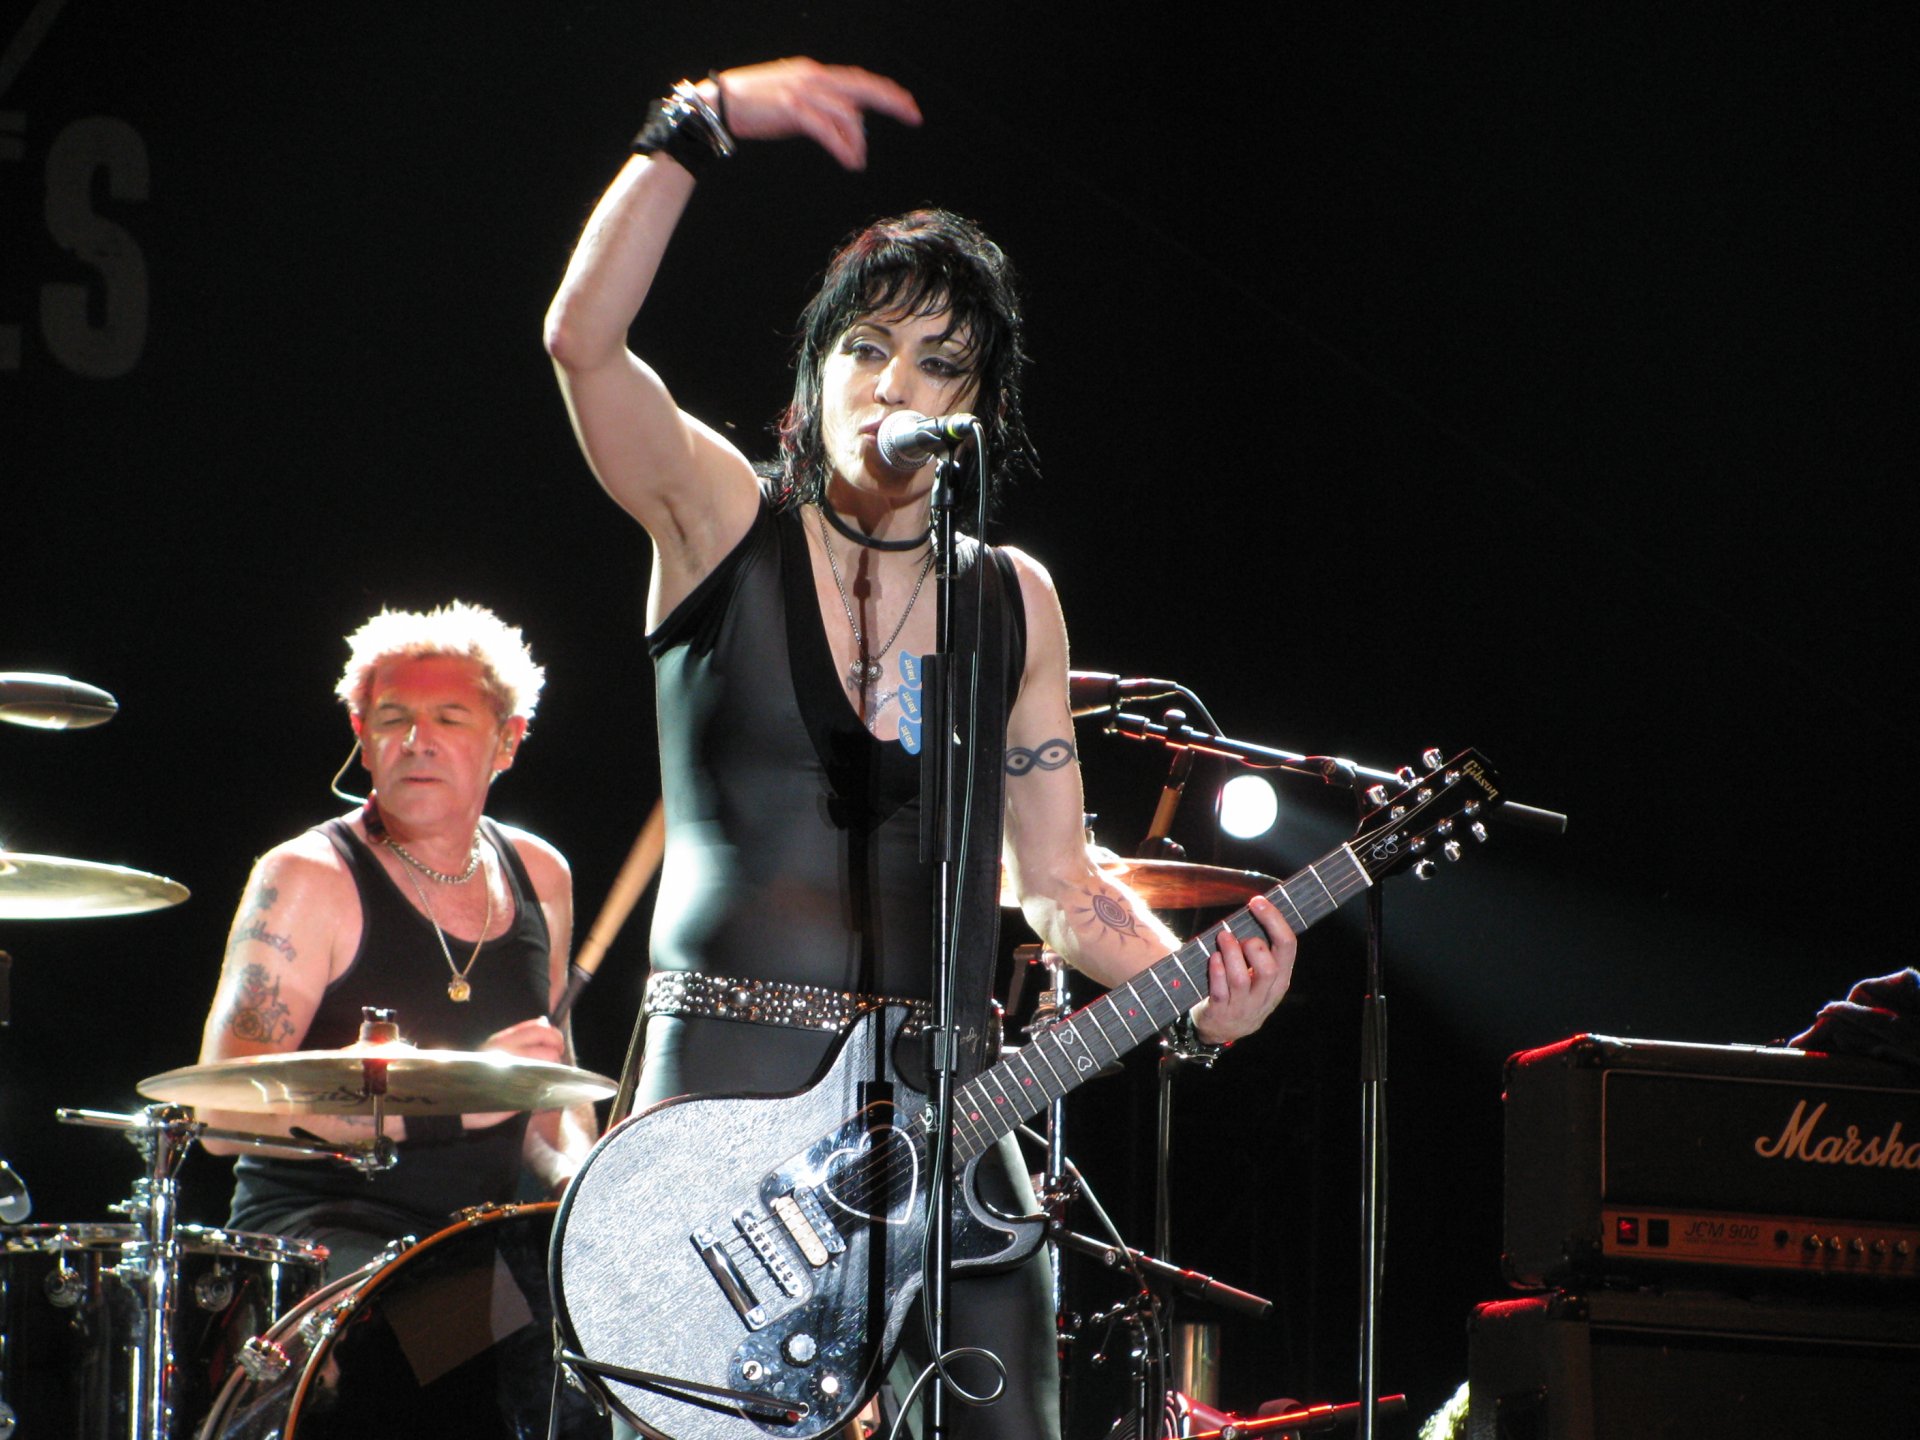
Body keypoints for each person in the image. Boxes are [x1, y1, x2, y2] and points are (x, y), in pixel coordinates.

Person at [543, 59, 1297, 1438]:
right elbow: (583, 342)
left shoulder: (1011, 596)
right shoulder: (721, 521)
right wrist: (696, 123)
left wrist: (1204, 996)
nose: (899, 383)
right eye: (869, 348)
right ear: (816, 372)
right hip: (724, 1094)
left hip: (950, 1116)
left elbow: (1060, 888)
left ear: (978, 410)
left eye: (941, 363)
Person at [193, 600, 596, 1276]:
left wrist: (577, 1179)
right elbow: (217, 1109)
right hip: (324, 1240)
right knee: (414, 1349)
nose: (417, 740)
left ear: (508, 739)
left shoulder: (541, 873)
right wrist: (448, 1105)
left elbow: (549, 1093)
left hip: (474, 1242)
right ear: (361, 732)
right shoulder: (307, 877)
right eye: (392, 719)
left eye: (449, 718)